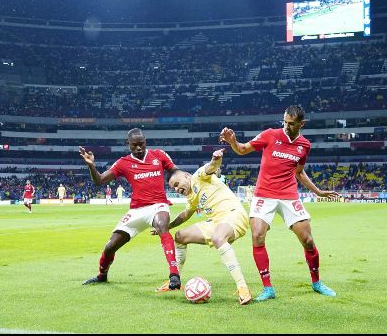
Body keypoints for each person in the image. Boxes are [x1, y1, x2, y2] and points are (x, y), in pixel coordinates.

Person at [220, 105, 340, 302]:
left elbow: (299, 172)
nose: (286, 126)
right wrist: (233, 141)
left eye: (291, 123)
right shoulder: (270, 135)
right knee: (258, 236)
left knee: (308, 240)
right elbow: (242, 150)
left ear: (301, 124)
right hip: (264, 194)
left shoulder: (304, 145)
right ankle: (268, 288)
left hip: (289, 195)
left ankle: (316, 282)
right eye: (284, 121)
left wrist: (317, 191)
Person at [78, 128, 188, 290]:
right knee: (110, 246)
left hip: (158, 205)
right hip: (136, 210)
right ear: (128, 145)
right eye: (134, 145)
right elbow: (100, 181)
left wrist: (184, 178)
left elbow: (175, 170)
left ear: (145, 142)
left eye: (141, 144)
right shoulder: (123, 163)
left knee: (162, 226)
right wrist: (91, 166)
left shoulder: (159, 155)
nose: (138, 148)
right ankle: (102, 275)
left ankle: (174, 276)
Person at [156, 148, 252, 305]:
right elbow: (186, 214)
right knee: (180, 236)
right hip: (216, 222)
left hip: (234, 214)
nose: (176, 189)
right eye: (173, 188)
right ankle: (175, 282)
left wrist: (216, 158)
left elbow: (211, 167)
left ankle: (243, 288)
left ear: (187, 176)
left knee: (218, 238)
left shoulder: (199, 176)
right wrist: (169, 227)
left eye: (177, 184)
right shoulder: (192, 196)